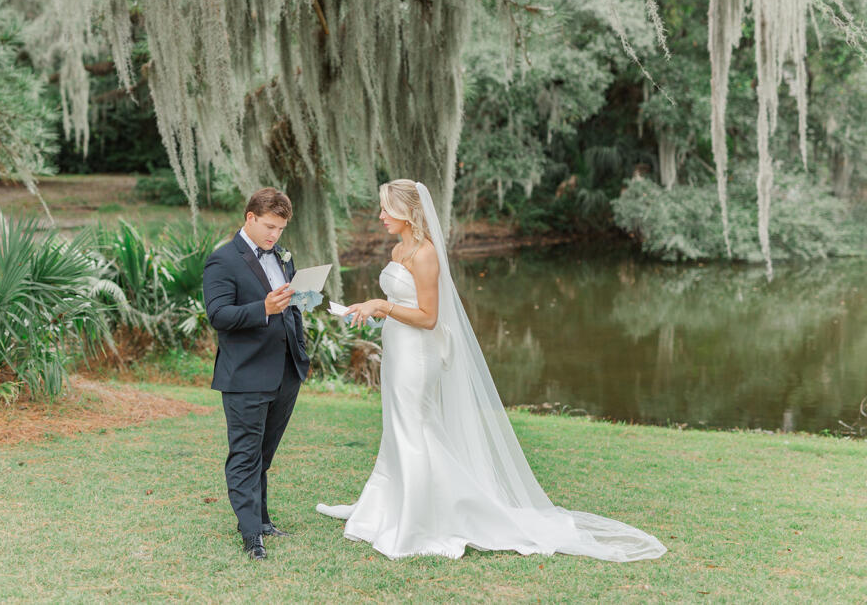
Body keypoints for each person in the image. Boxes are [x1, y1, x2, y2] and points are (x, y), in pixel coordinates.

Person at [316, 180, 667, 561]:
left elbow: (430, 318)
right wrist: (369, 310)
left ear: (407, 211)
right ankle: (381, 508)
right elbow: (403, 303)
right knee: (398, 429)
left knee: (414, 429)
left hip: (419, 355)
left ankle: (417, 523)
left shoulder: (425, 254)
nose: (381, 215)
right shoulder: (399, 248)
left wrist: (381, 306)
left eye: (386, 208)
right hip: (399, 348)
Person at [203, 187, 310, 561]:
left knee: (264, 454)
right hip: (246, 374)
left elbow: (291, 308)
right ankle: (251, 535)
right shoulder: (222, 261)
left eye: (280, 229)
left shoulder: (282, 256)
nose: (274, 235)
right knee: (246, 454)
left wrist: (300, 315)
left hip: (285, 371)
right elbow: (218, 316)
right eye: (269, 226)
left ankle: (261, 520)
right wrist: (262, 307)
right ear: (250, 218)